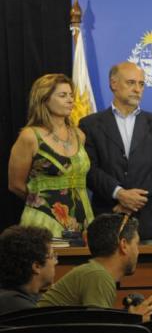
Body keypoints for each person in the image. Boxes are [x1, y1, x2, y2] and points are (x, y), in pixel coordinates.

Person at [80, 62, 152, 240]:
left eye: (141, 84)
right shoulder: (90, 124)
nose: (137, 89)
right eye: (131, 83)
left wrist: (134, 200)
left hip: (149, 219)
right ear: (113, 84)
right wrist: (119, 194)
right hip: (108, 215)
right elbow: (88, 168)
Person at [8, 74, 93, 237]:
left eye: (71, 96)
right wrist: (42, 202)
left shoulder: (79, 135)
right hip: (44, 221)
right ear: (44, 99)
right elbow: (15, 184)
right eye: (62, 95)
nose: (70, 100)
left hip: (84, 220)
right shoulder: (29, 136)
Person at [39, 213, 152, 319]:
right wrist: (134, 320)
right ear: (124, 245)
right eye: (136, 244)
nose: (138, 252)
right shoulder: (98, 276)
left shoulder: (95, 272)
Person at [0, 226, 56, 314]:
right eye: (52, 256)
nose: (55, 262)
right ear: (36, 267)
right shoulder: (24, 312)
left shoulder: (10, 298)